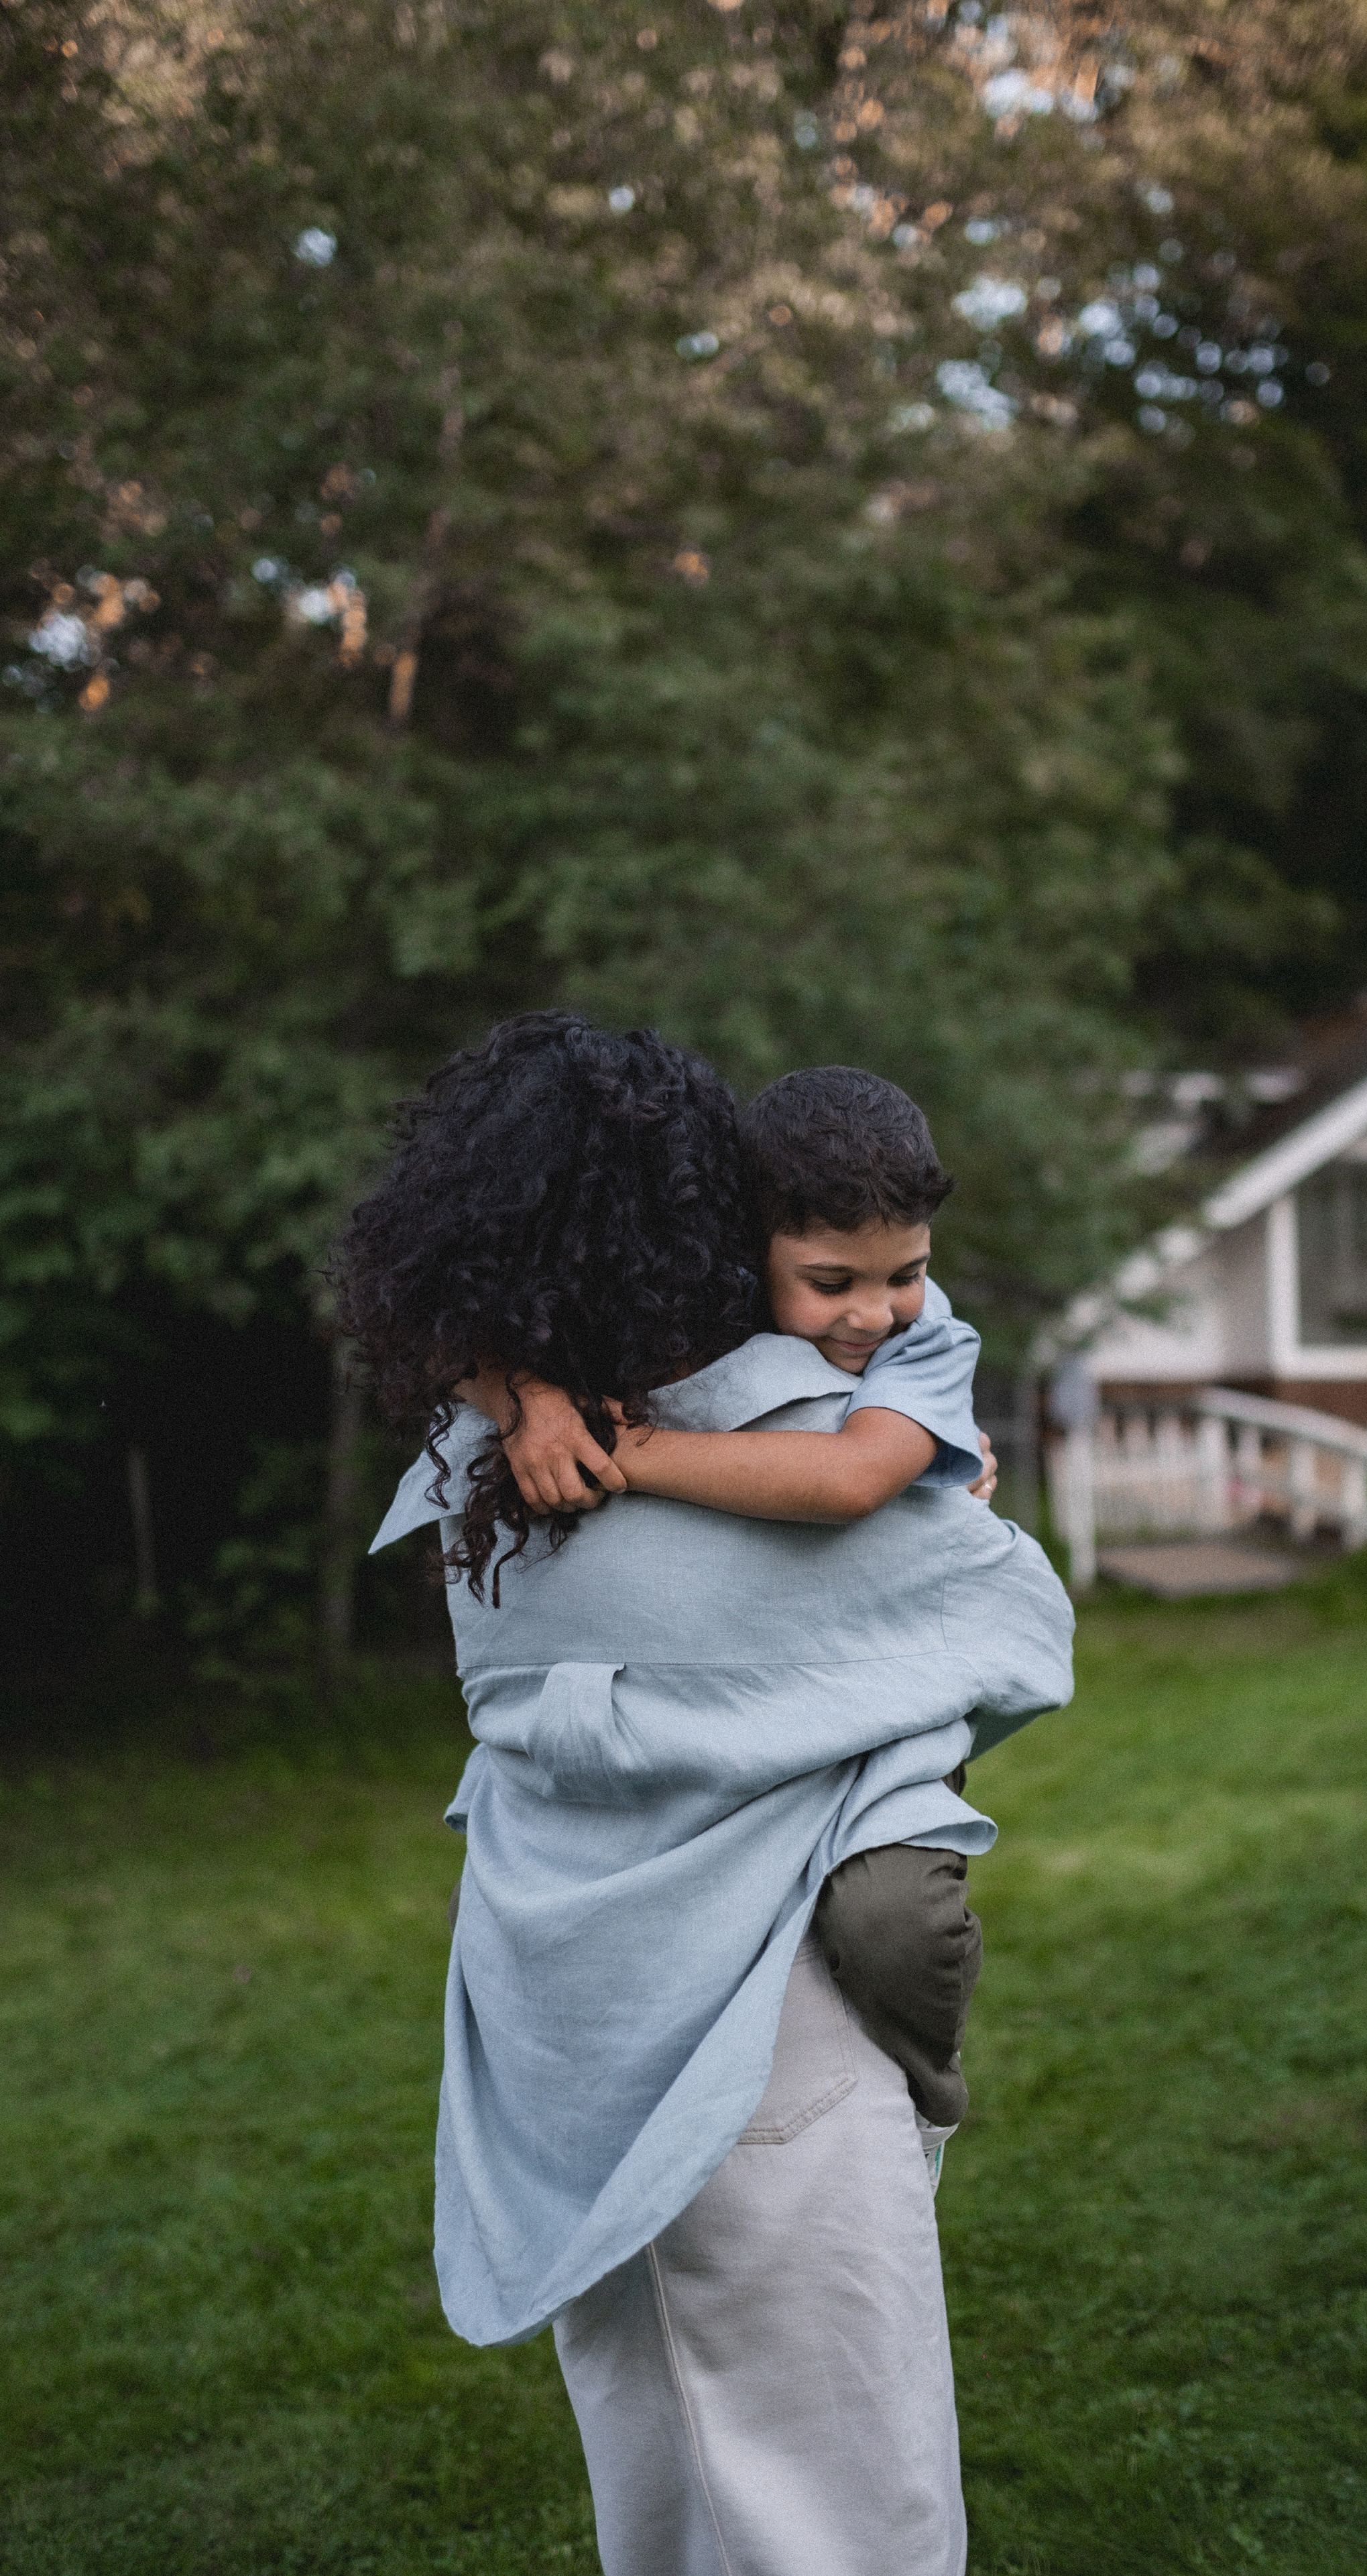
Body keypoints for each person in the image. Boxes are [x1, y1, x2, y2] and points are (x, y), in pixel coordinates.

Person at [337, 1012, 1074, 2576]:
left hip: (560, 2021)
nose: (868, 1308)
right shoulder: (770, 1424)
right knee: (837, 2482)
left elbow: (463, 1353)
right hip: (758, 2023)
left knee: (659, 2468)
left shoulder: (481, 1466)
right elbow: (1000, 1622)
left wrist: (530, 1396)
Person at [461, 1063, 1000, 2144]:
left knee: (896, 1918)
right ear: (748, 1245)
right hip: (707, 1706)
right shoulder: (678, 1314)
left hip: (873, 1679)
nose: (873, 1313)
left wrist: (625, 1448)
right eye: (832, 1278)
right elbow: (451, 1342)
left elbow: (850, 1479)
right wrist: (529, 1398)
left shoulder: (925, 1338)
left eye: (904, 1272)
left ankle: (925, 2091)